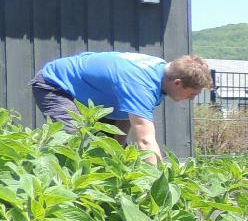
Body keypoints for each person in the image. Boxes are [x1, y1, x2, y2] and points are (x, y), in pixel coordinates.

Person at [31, 51, 212, 163]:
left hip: (90, 92)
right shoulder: (141, 85)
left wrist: (115, 149)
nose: (190, 99)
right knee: (76, 143)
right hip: (56, 84)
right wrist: (158, 184)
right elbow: (145, 141)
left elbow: (125, 115)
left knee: (111, 153)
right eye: (192, 94)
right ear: (178, 83)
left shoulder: (161, 73)